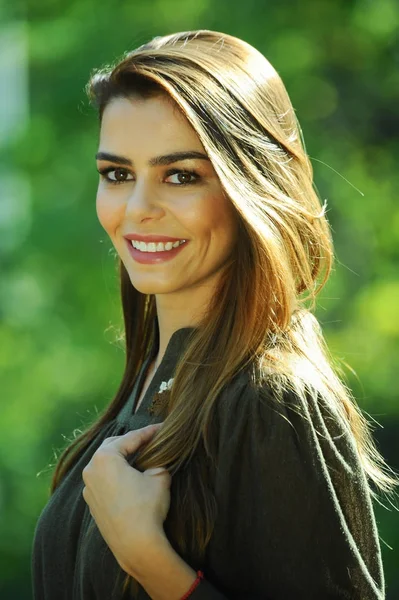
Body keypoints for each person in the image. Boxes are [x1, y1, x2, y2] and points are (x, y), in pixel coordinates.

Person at [31, 29, 398, 600]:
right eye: (117, 174)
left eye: (181, 176)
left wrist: (152, 562)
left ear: (248, 187)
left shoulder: (269, 397)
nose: (137, 209)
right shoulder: (153, 385)